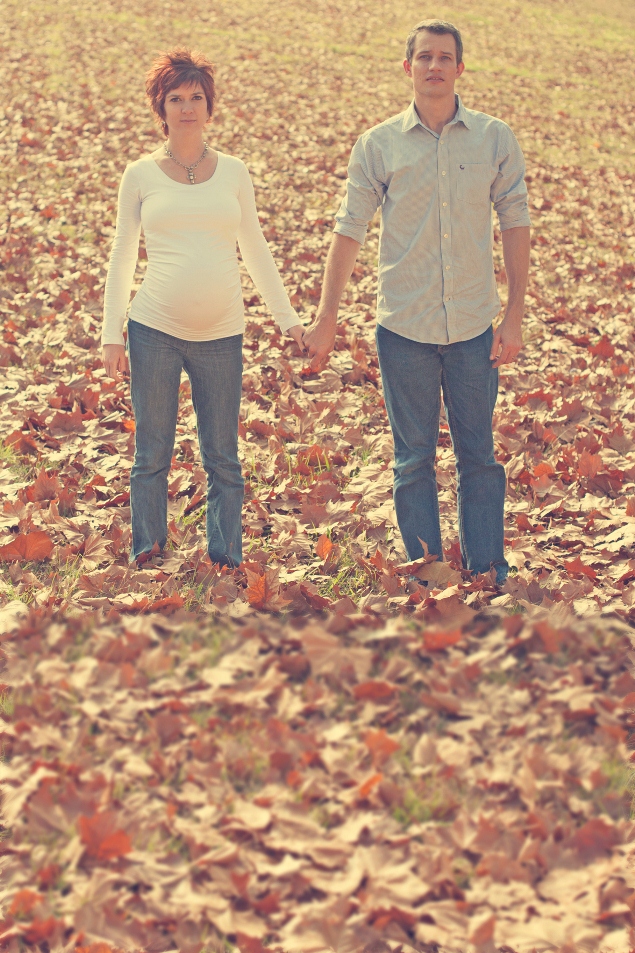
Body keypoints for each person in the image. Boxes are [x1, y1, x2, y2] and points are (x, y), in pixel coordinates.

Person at [303, 19, 530, 585]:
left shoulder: (493, 138)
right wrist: (327, 316)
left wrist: (516, 312)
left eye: (445, 57)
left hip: (475, 327)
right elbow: (348, 229)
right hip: (404, 328)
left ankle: (488, 569)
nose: (434, 66)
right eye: (424, 56)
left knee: (479, 457)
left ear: (460, 67)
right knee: (413, 460)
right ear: (408, 67)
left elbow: (516, 220)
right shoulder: (378, 145)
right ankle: (428, 570)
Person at [101, 49, 304, 567]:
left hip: (221, 332)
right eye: (176, 98)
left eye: (196, 97)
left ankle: (227, 559)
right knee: (152, 454)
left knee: (223, 458)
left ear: (209, 107)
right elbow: (124, 251)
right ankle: (147, 554)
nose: (187, 107)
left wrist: (287, 318)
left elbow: (254, 246)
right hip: (154, 329)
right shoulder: (140, 174)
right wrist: (112, 334)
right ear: (160, 108)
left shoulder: (233, 172)